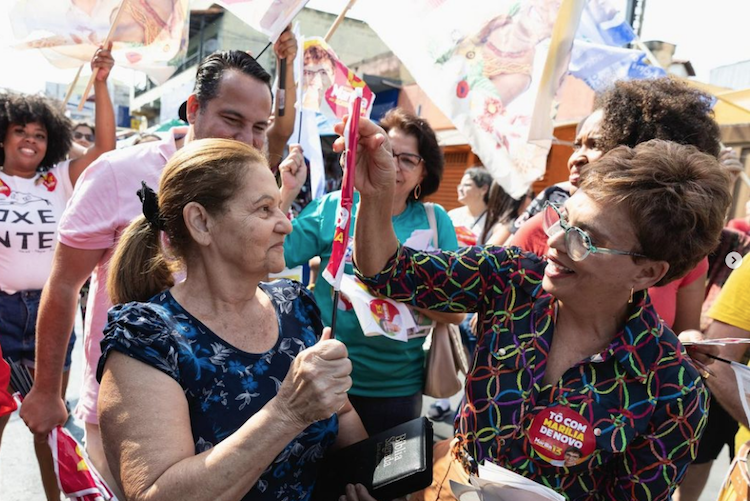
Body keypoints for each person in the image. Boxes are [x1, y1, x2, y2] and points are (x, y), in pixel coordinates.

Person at [347, 112, 731, 500]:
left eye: (585, 238)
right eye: (562, 220)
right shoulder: (512, 279)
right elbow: (388, 273)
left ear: (647, 272)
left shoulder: (671, 387)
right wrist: (376, 194)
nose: (555, 241)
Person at [21, 44, 303, 497]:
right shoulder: (116, 173)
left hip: (234, 410)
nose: (245, 139)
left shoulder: (254, 178)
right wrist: (46, 390)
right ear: (193, 108)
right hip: (128, 417)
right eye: (232, 120)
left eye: (258, 127)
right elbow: (63, 285)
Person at [97, 138, 366, 501]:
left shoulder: (295, 306)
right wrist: (286, 413)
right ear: (201, 223)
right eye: (265, 209)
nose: (286, 225)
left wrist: (372, 481)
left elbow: (342, 413)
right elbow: (155, 494)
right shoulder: (147, 339)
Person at [284, 108, 462, 436]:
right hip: (326, 377)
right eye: (386, 153)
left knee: (382, 486)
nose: (393, 165)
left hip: (397, 388)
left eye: (407, 159)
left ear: (424, 173)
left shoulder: (436, 222)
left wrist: (387, 284)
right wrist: (285, 194)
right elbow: (273, 254)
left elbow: (455, 310)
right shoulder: (333, 208)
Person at [507, 77, 722, 335]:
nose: (576, 158)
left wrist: (691, 346)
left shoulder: (680, 253)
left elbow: (685, 331)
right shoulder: (542, 229)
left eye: (595, 144)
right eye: (577, 144)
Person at [0, 46, 115, 500]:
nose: (31, 140)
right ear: (3, 137)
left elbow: (105, 148)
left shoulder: (60, 179)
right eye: (19, 131)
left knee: (47, 427)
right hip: (3, 313)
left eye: (40, 134)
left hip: (52, 313)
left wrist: (102, 82)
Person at [448, 166, 492, 247]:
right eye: (460, 185)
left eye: (467, 185)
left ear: (484, 189)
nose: (460, 189)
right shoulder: (452, 215)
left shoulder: (493, 221)